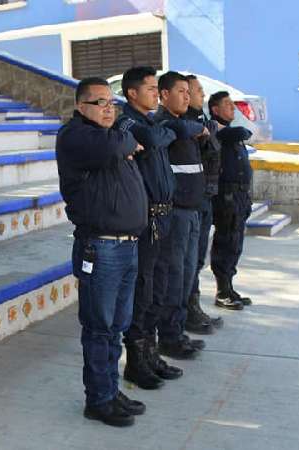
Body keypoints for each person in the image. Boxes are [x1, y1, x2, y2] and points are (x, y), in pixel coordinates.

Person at [57, 77, 149, 427]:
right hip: (101, 248)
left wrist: (126, 139)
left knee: (116, 326)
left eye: (112, 103)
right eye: (99, 102)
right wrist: (127, 139)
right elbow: (120, 145)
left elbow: (128, 141)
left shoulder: (108, 137)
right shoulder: (75, 136)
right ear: (81, 107)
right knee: (100, 327)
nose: (109, 108)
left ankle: (110, 389)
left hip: (126, 246)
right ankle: (98, 399)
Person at [114, 67, 184, 389]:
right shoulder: (128, 120)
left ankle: (151, 353)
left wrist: (166, 131)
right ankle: (136, 361)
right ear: (132, 93)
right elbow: (157, 138)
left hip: (165, 215)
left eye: (157, 89)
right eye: (151, 89)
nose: (156, 94)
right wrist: (169, 131)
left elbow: (163, 135)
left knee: (160, 286)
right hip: (147, 220)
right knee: (143, 290)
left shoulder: (152, 120)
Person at [152, 71, 207, 360]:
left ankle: (178, 330)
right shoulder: (164, 125)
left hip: (193, 212)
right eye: (181, 91)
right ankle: (169, 337)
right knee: (173, 276)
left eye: (189, 92)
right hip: (175, 215)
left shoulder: (186, 125)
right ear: (163, 95)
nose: (187, 96)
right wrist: (194, 129)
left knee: (186, 275)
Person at [184, 74, 225, 331]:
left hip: (206, 196)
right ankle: (188, 311)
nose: (201, 95)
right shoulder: (187, 125)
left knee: (197, 260)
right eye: (197, 90)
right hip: (193, 200)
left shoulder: (203, 122)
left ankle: (193, 307)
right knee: (189, 262)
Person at [209, 91, 254, 309]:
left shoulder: (231, 133)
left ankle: (229, 286)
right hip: (227, 197)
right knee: (225, 243)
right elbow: (242, 132)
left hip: (240, 196)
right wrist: (244, 131)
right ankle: (222, 291)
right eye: (227, 105)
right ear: (215, 110)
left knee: (235, 244)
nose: (232, 108)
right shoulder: (219, 130)